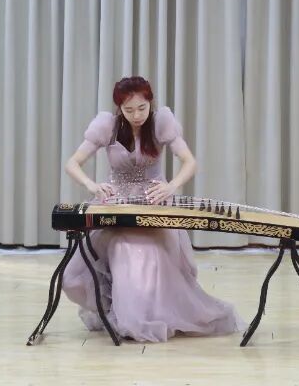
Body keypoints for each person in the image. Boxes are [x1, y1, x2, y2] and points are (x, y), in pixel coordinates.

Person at [60, 76, 244, 342]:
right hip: (118, 206)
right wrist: (93, 185)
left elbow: (189, 162)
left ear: (150, 103)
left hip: (153, 203)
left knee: (144, 253)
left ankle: (144, 317)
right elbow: (72, 163)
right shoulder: (108, 126)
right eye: (129, 110)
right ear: (119, 108)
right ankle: (122, 311)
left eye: (142, 108)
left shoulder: (160, 122)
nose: (136, 115)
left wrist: (171, 187)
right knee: (86, 268)